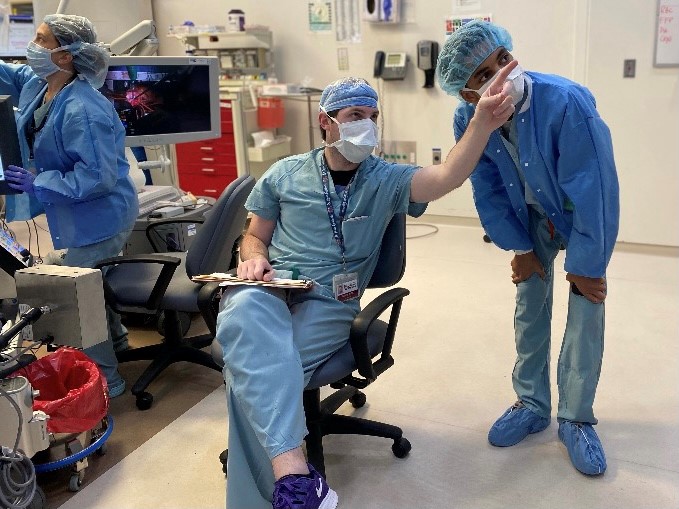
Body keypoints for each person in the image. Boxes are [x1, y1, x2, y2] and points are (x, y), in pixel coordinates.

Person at [215, 68, 517, 509]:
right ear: (326, 121)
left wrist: (481, 123)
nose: (367, 125)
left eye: (373, 115)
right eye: (356, 114)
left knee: (253, 371)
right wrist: (253, 257)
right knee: (241, 310)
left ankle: (282, 487)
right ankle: (297, 481)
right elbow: (253, 235)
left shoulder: (386, 179)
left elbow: (447, 176)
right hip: (272, 287)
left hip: (329, 300)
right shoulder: (283, 174)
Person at [436, 20, 619, 476]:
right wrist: (517, 246)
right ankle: (532, 404)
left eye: (502, 59)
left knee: (585, 308)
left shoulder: (566, 102)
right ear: (467, 95)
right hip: (531, 217)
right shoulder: (469, 120)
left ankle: (575, 418)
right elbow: (487, 185)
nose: (502, 74)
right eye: (483, 75)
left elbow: (594, 184)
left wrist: (588, 261)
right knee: (528, 304)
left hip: (579, 215)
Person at [0, 14, 139, 398]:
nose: (32, 46)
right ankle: (121, 343)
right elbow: (8, 75)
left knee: (77, 296)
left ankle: (107, 383)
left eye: (41, 40)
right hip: (79, 212)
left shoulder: (83, 108)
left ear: (64, 57)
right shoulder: (43, 87)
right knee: (94, 283)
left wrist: (38, 182)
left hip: (101, 216)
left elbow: (97, 178)